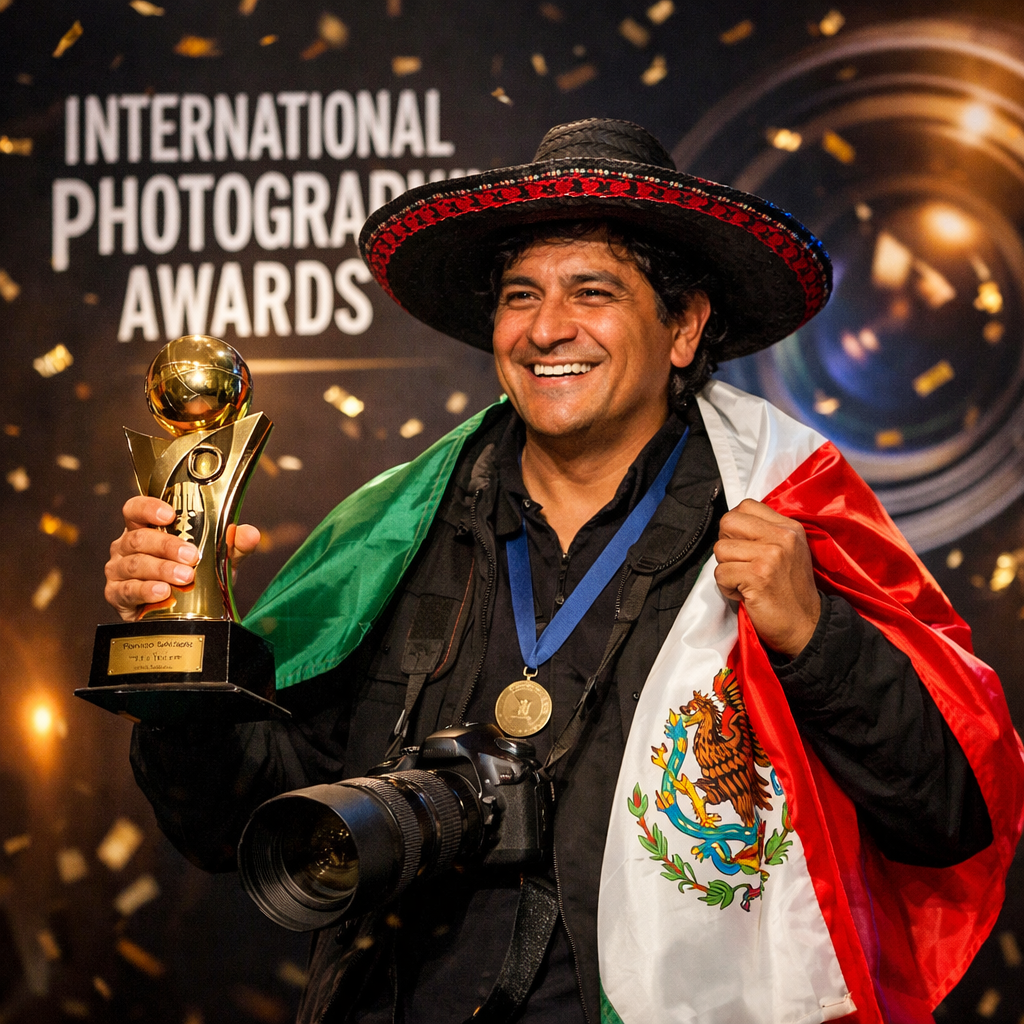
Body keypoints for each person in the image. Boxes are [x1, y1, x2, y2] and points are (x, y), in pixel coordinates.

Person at [103, 119, 1023, 1024]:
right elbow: (231, 824)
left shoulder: (782, 518)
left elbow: (951, 816)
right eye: (518, 294)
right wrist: (182, 652)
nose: (546, 329)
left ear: (684, 327)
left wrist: (814, 637)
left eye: (593, 292)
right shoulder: (392, 533)